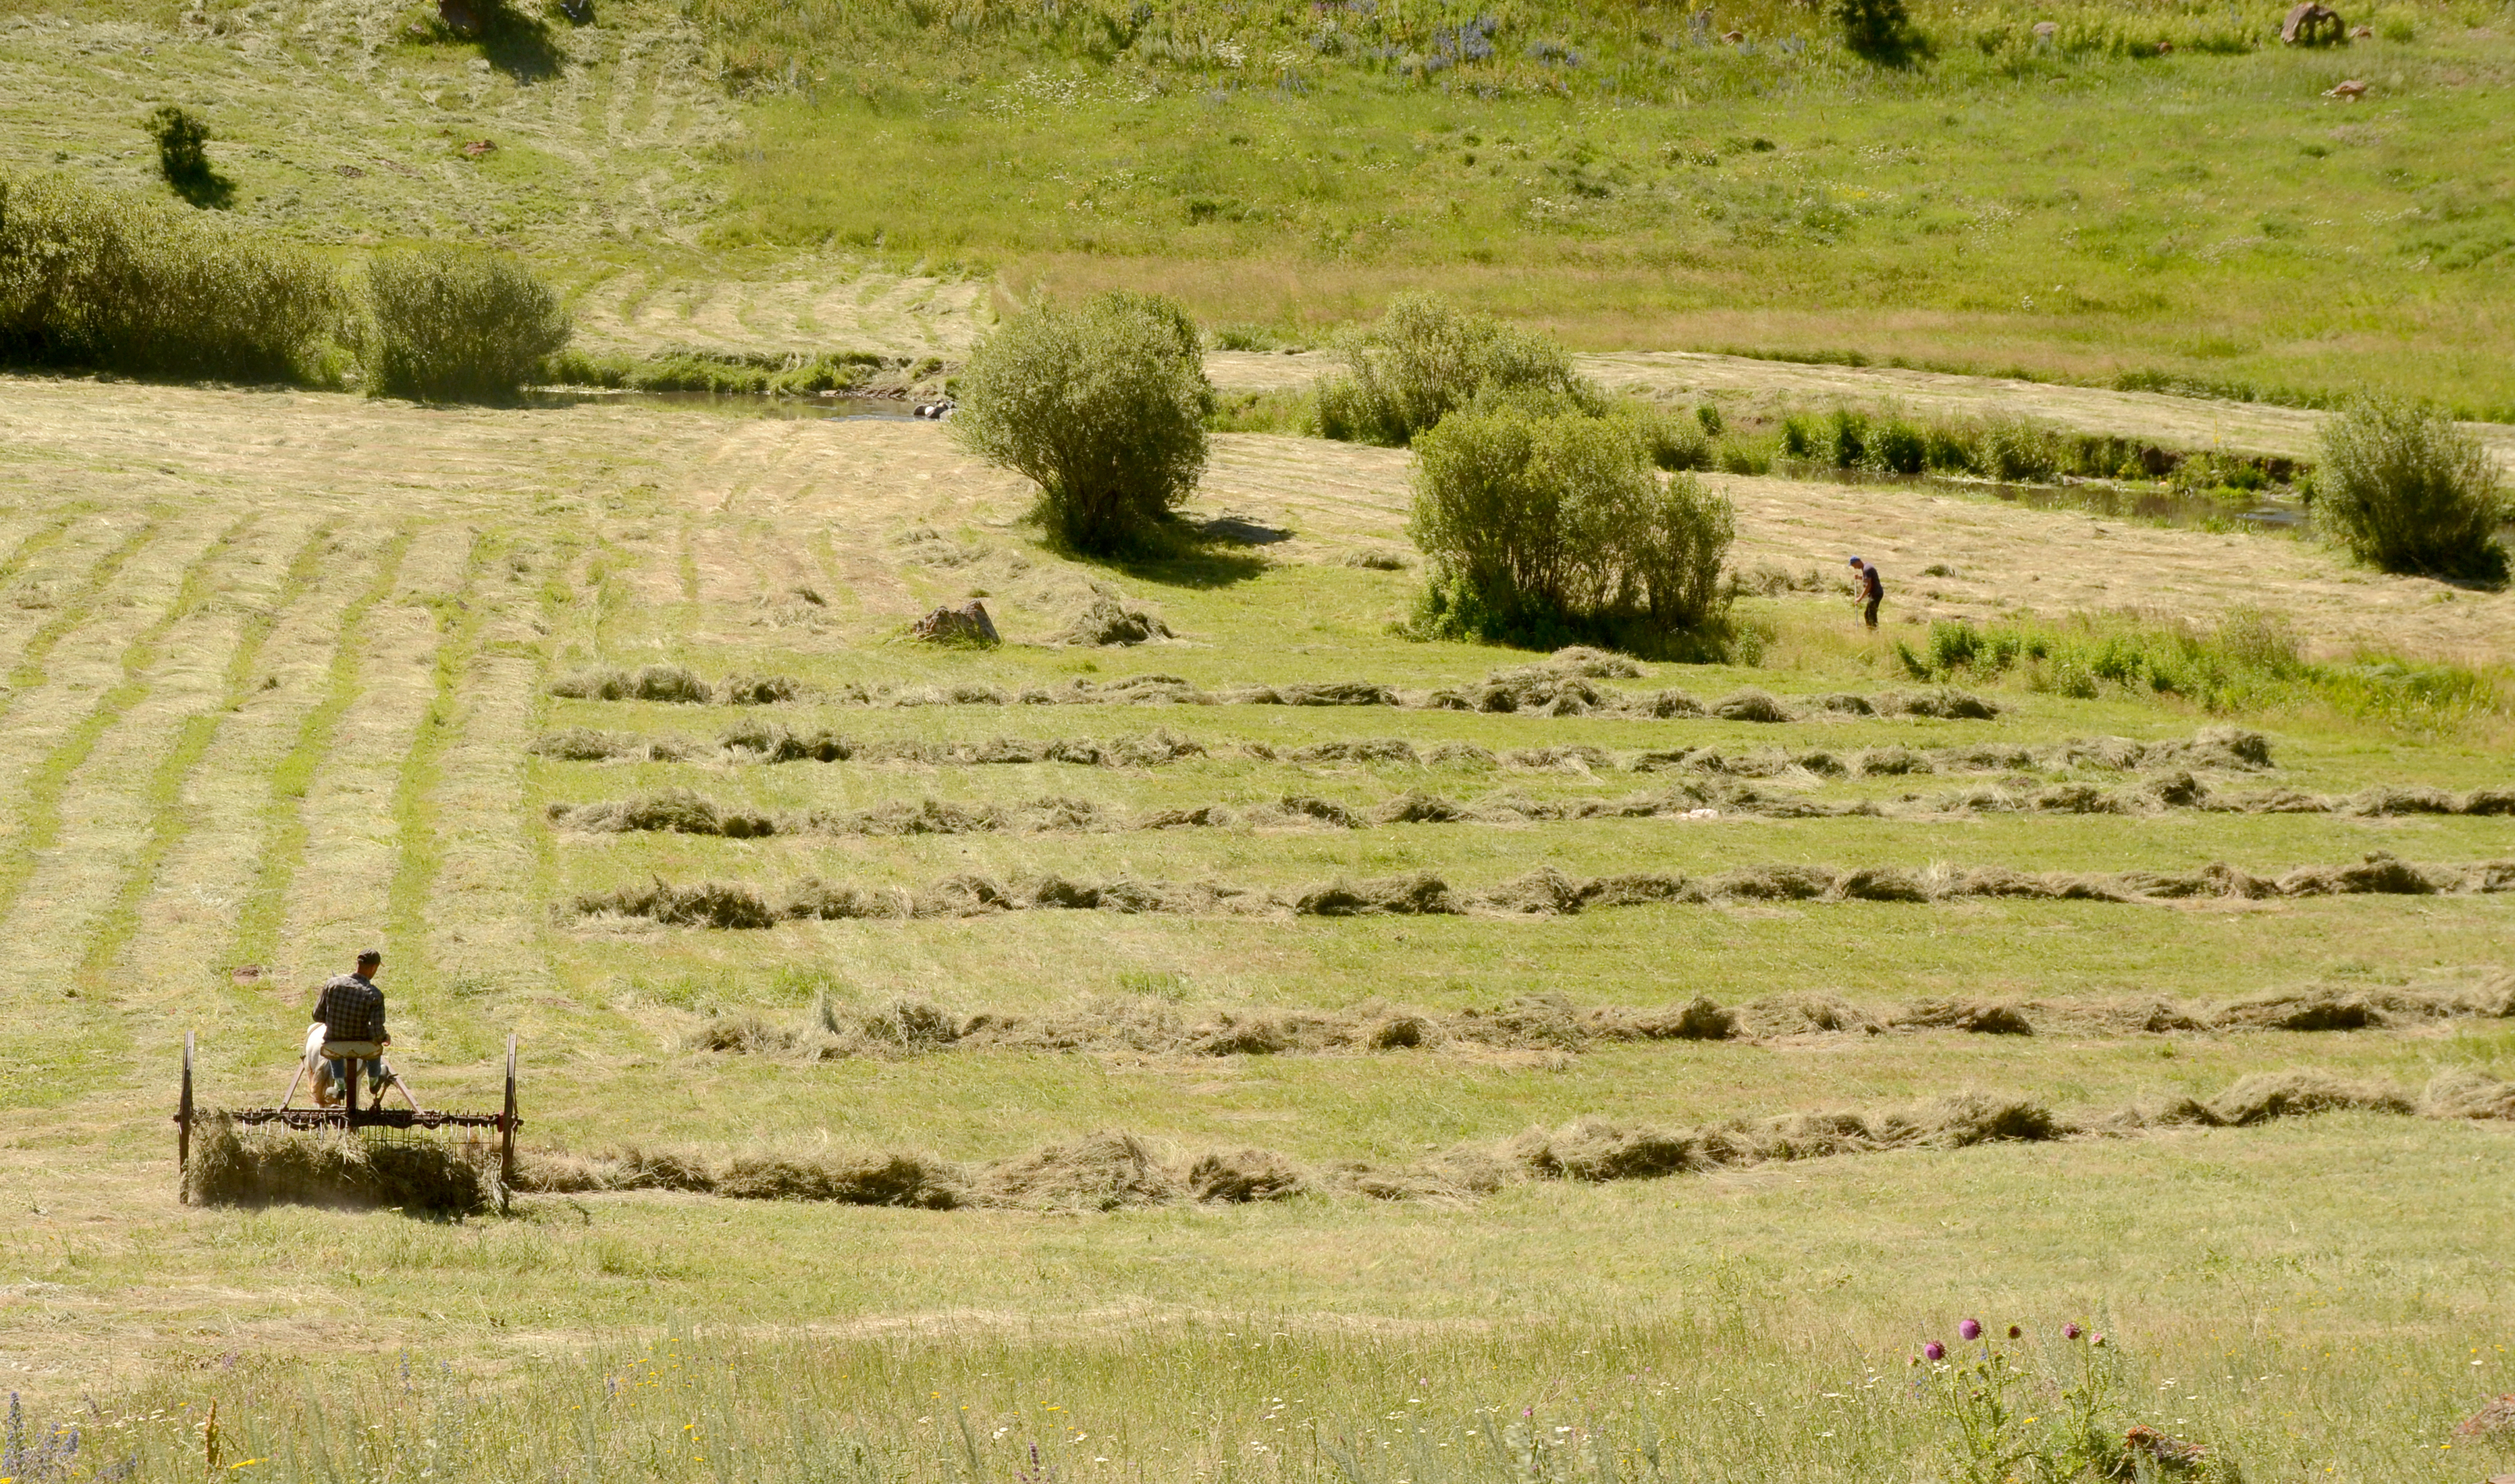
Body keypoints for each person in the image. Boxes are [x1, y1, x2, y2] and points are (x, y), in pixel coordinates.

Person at [310, 948, 393, 1107]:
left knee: (335, 1046)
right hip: (363, 1048)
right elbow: (376, 1031)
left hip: (333, 1046)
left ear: (357, 964)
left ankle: (339, 1084)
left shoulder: (332, 984)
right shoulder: (374, 994)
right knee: (374, 1044)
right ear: (373, 968)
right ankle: (374, 1079)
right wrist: (385, 1036)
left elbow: (317, 1016)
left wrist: (335, 1021)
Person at [1848, 556, 1885, 630]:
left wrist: (1860, 598)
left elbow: (1868, 586)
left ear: (1858, 562)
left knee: (1871, 614)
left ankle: (1874, 632)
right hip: (1875, 593)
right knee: (1868, 614)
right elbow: (1868, 578)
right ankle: (1871, 631)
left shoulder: (1867, 569)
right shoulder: (1866, 566)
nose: (1855, 568)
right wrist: (1859, 577)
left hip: (1876, 594)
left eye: (1854, 565)